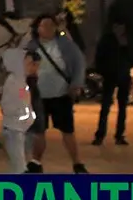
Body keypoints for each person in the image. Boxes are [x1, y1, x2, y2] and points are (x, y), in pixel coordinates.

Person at [25, 13, 89, 173]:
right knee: (38, 131)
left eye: (50, 25)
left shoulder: (66, 45)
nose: (47, 29)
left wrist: (76, 84)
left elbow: (79, 63)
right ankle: (35, 163)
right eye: (43, 26)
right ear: (37, 28)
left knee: (67, 131)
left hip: (61, 95)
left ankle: (77, 163)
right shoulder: (31, 46)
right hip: (38, 96)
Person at [93, 18, 133, 146]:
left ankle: (119, 135)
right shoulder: (107, 40)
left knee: (122, 108)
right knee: (105, 107)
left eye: (121, 27)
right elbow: (99, 57)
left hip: (123, 76)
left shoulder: (128, 40)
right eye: (117, 27)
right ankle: (100, 135)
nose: (119, 29)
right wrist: (102, 72)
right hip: (110, 76)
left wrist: (126, 46)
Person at [0, 48, 39, 173]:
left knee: (18, 166)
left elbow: (24, 103)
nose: (34, 68)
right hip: (14, 129)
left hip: (20, 129)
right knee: (19, 168)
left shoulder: (21, 82)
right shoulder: (14, 82)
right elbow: (8, 106)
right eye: (30, 64)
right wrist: (22, 115)